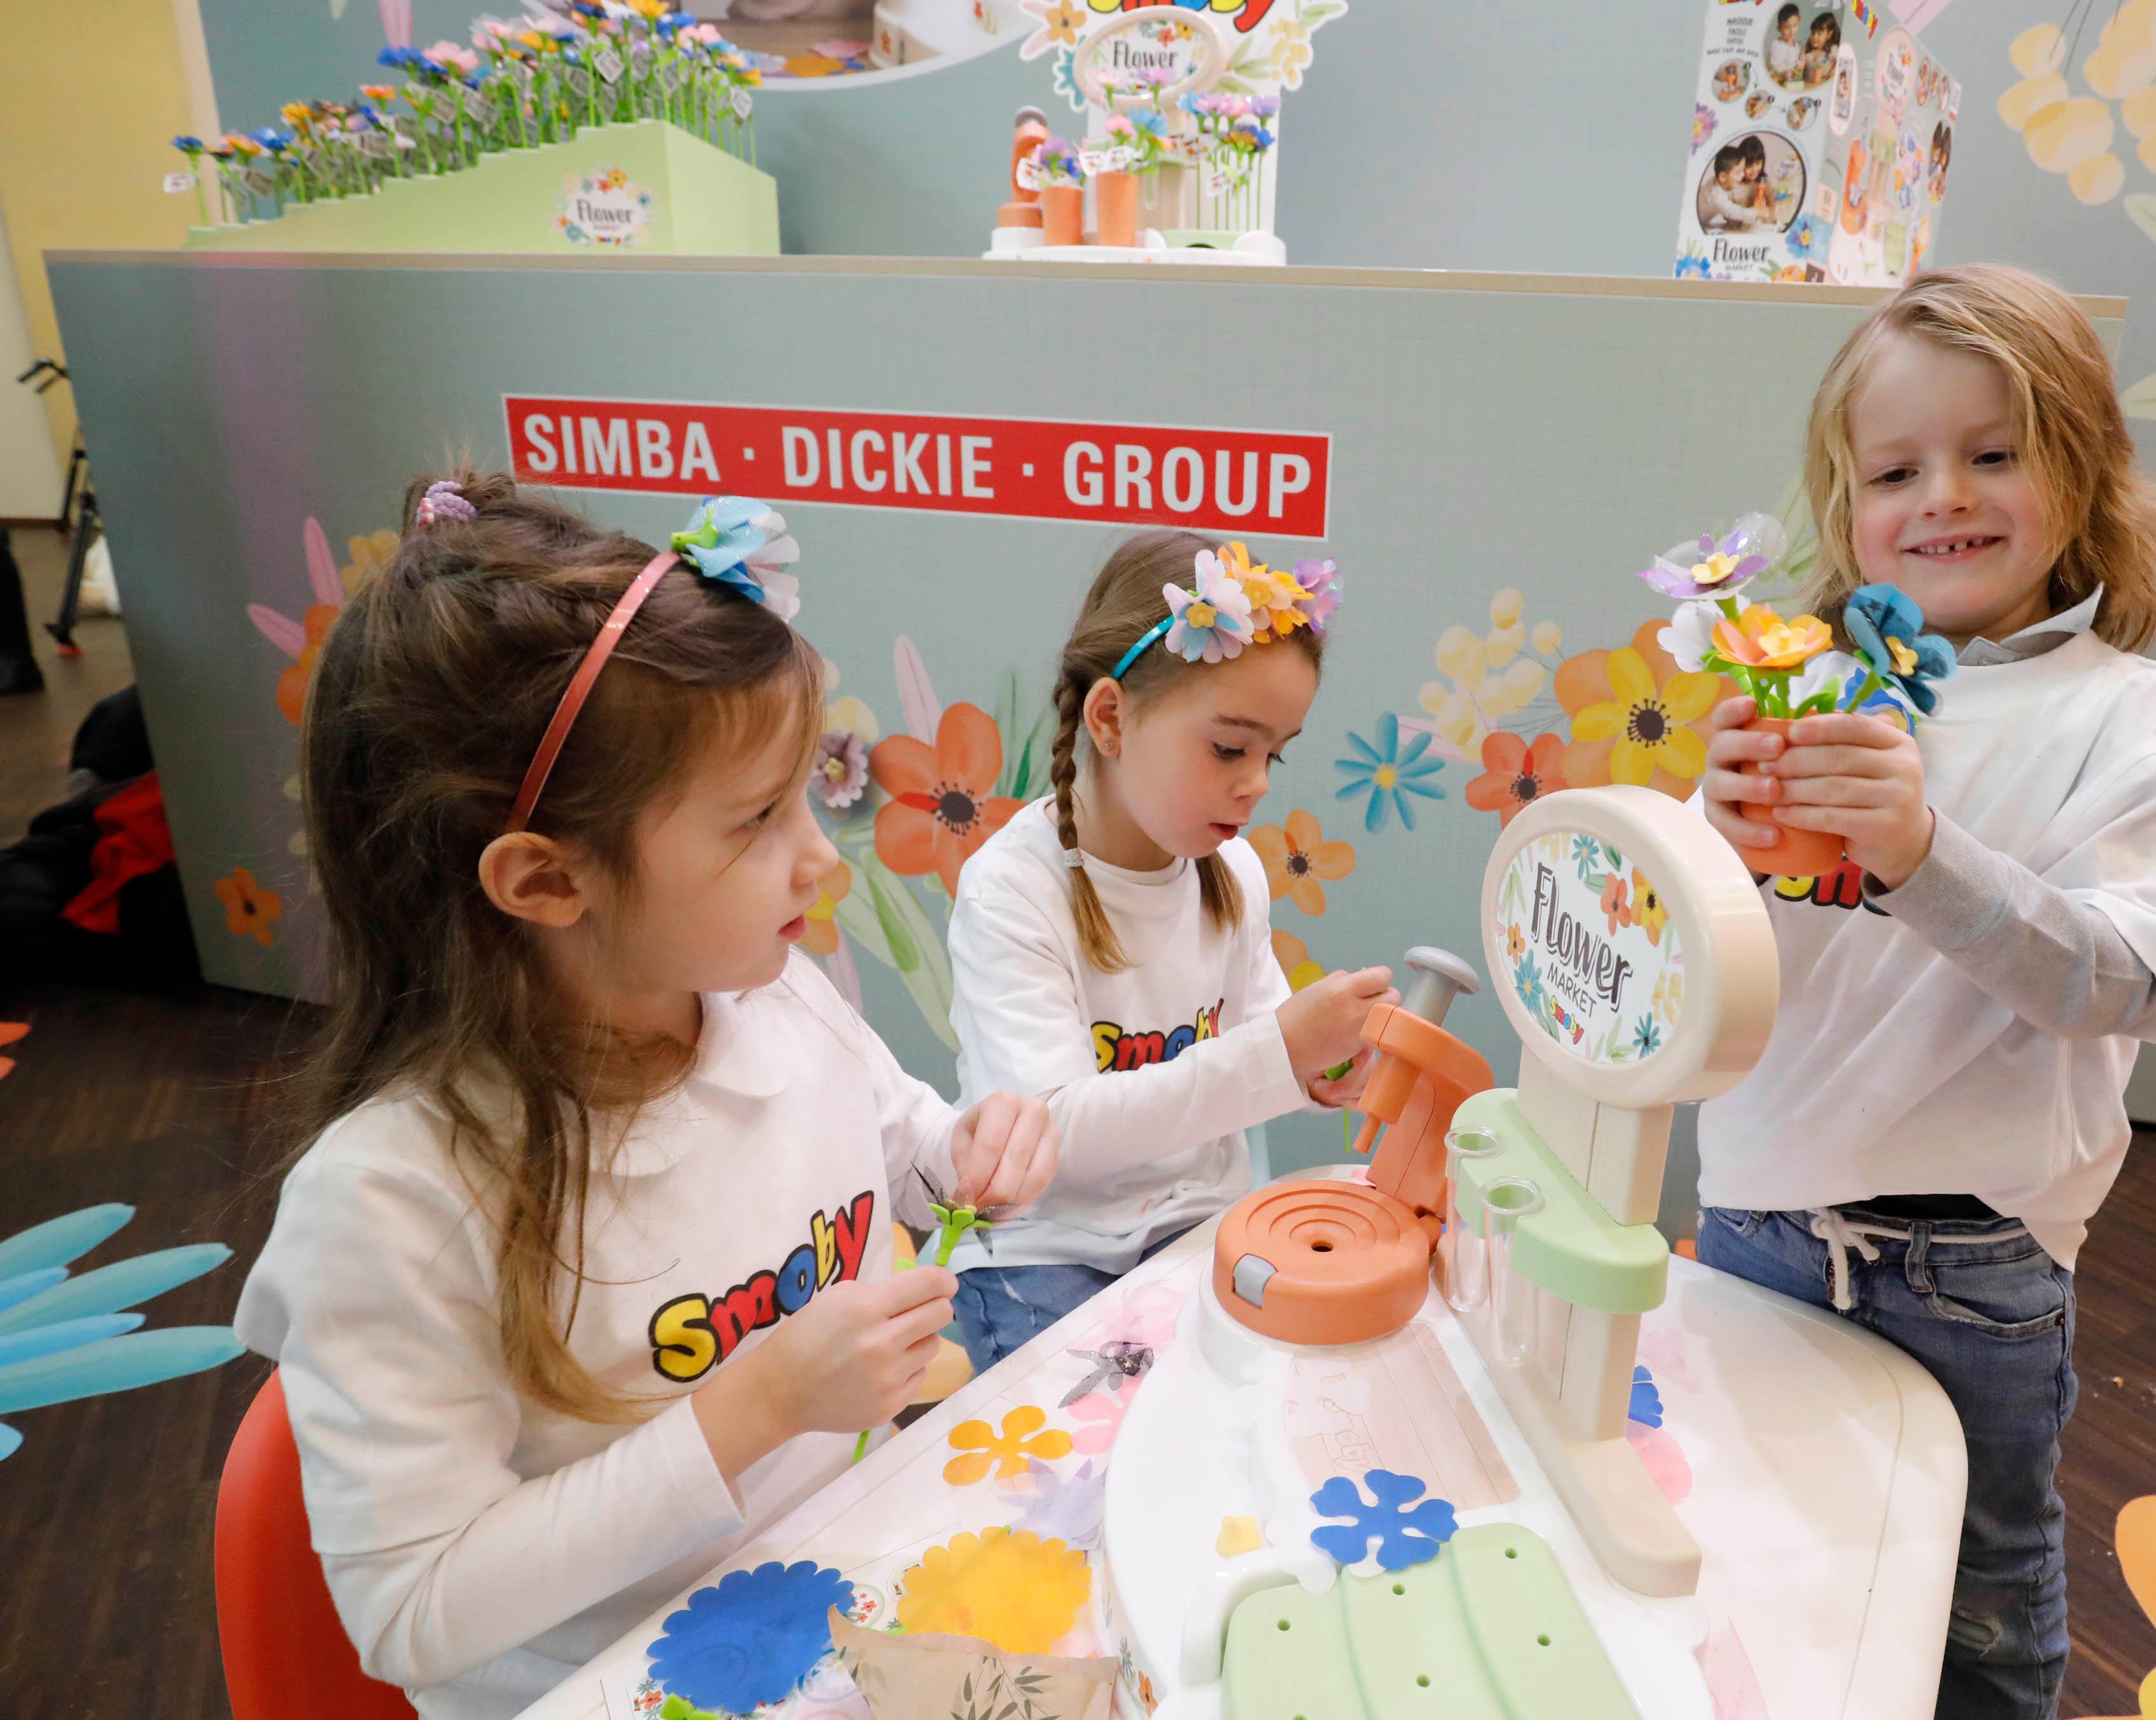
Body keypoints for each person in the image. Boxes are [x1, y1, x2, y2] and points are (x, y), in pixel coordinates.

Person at [234, 471, 1059, 1720]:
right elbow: (411, 1609)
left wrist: (965, 1148)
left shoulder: (764, 990)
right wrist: (757, 1404)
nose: (823, 854)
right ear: (545, 881)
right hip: (620, 1678)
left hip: (842, 1576)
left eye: (806, 795)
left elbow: (895, 1134)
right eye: (756, 819)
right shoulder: (394, 1203)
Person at [1691, 267, 2156, 1719]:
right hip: (1750, 1224)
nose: (1941, 494)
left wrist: (1920, 854)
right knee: (1755, 1569)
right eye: (1893, 468)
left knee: (1977, 1617)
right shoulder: (1813, 696)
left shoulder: (2147, 718)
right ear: (1844, 506)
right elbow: (1708, 977)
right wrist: (1708, 842)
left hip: (1968, 1264)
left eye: (1991, 452)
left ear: (2081, 467)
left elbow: (2116, 979)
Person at [942, 531, 1394, 1371]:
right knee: (1083, 1470)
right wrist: (1278, 1053)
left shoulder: (1233, 873)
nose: (1257, 781)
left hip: (1192, 1225)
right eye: (1229, 747)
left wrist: (1322, 1072)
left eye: (1273, 753)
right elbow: (1054, 1136)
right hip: (1045, 1251)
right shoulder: (1010, 888)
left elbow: (1253, 1064)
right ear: (1110, 719)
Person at [1766, 4, 1804, 83]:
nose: (1792, 31)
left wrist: (1801, 66)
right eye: (1787, 28)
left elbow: (1801, 64)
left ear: (1799, 23)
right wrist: (1785, 73)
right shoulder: (1777, 45)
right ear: (1779, 28)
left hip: (1793, 84)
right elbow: (1774, 67)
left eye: (1795, 26)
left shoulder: (1799, 46)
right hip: (1777, 82)